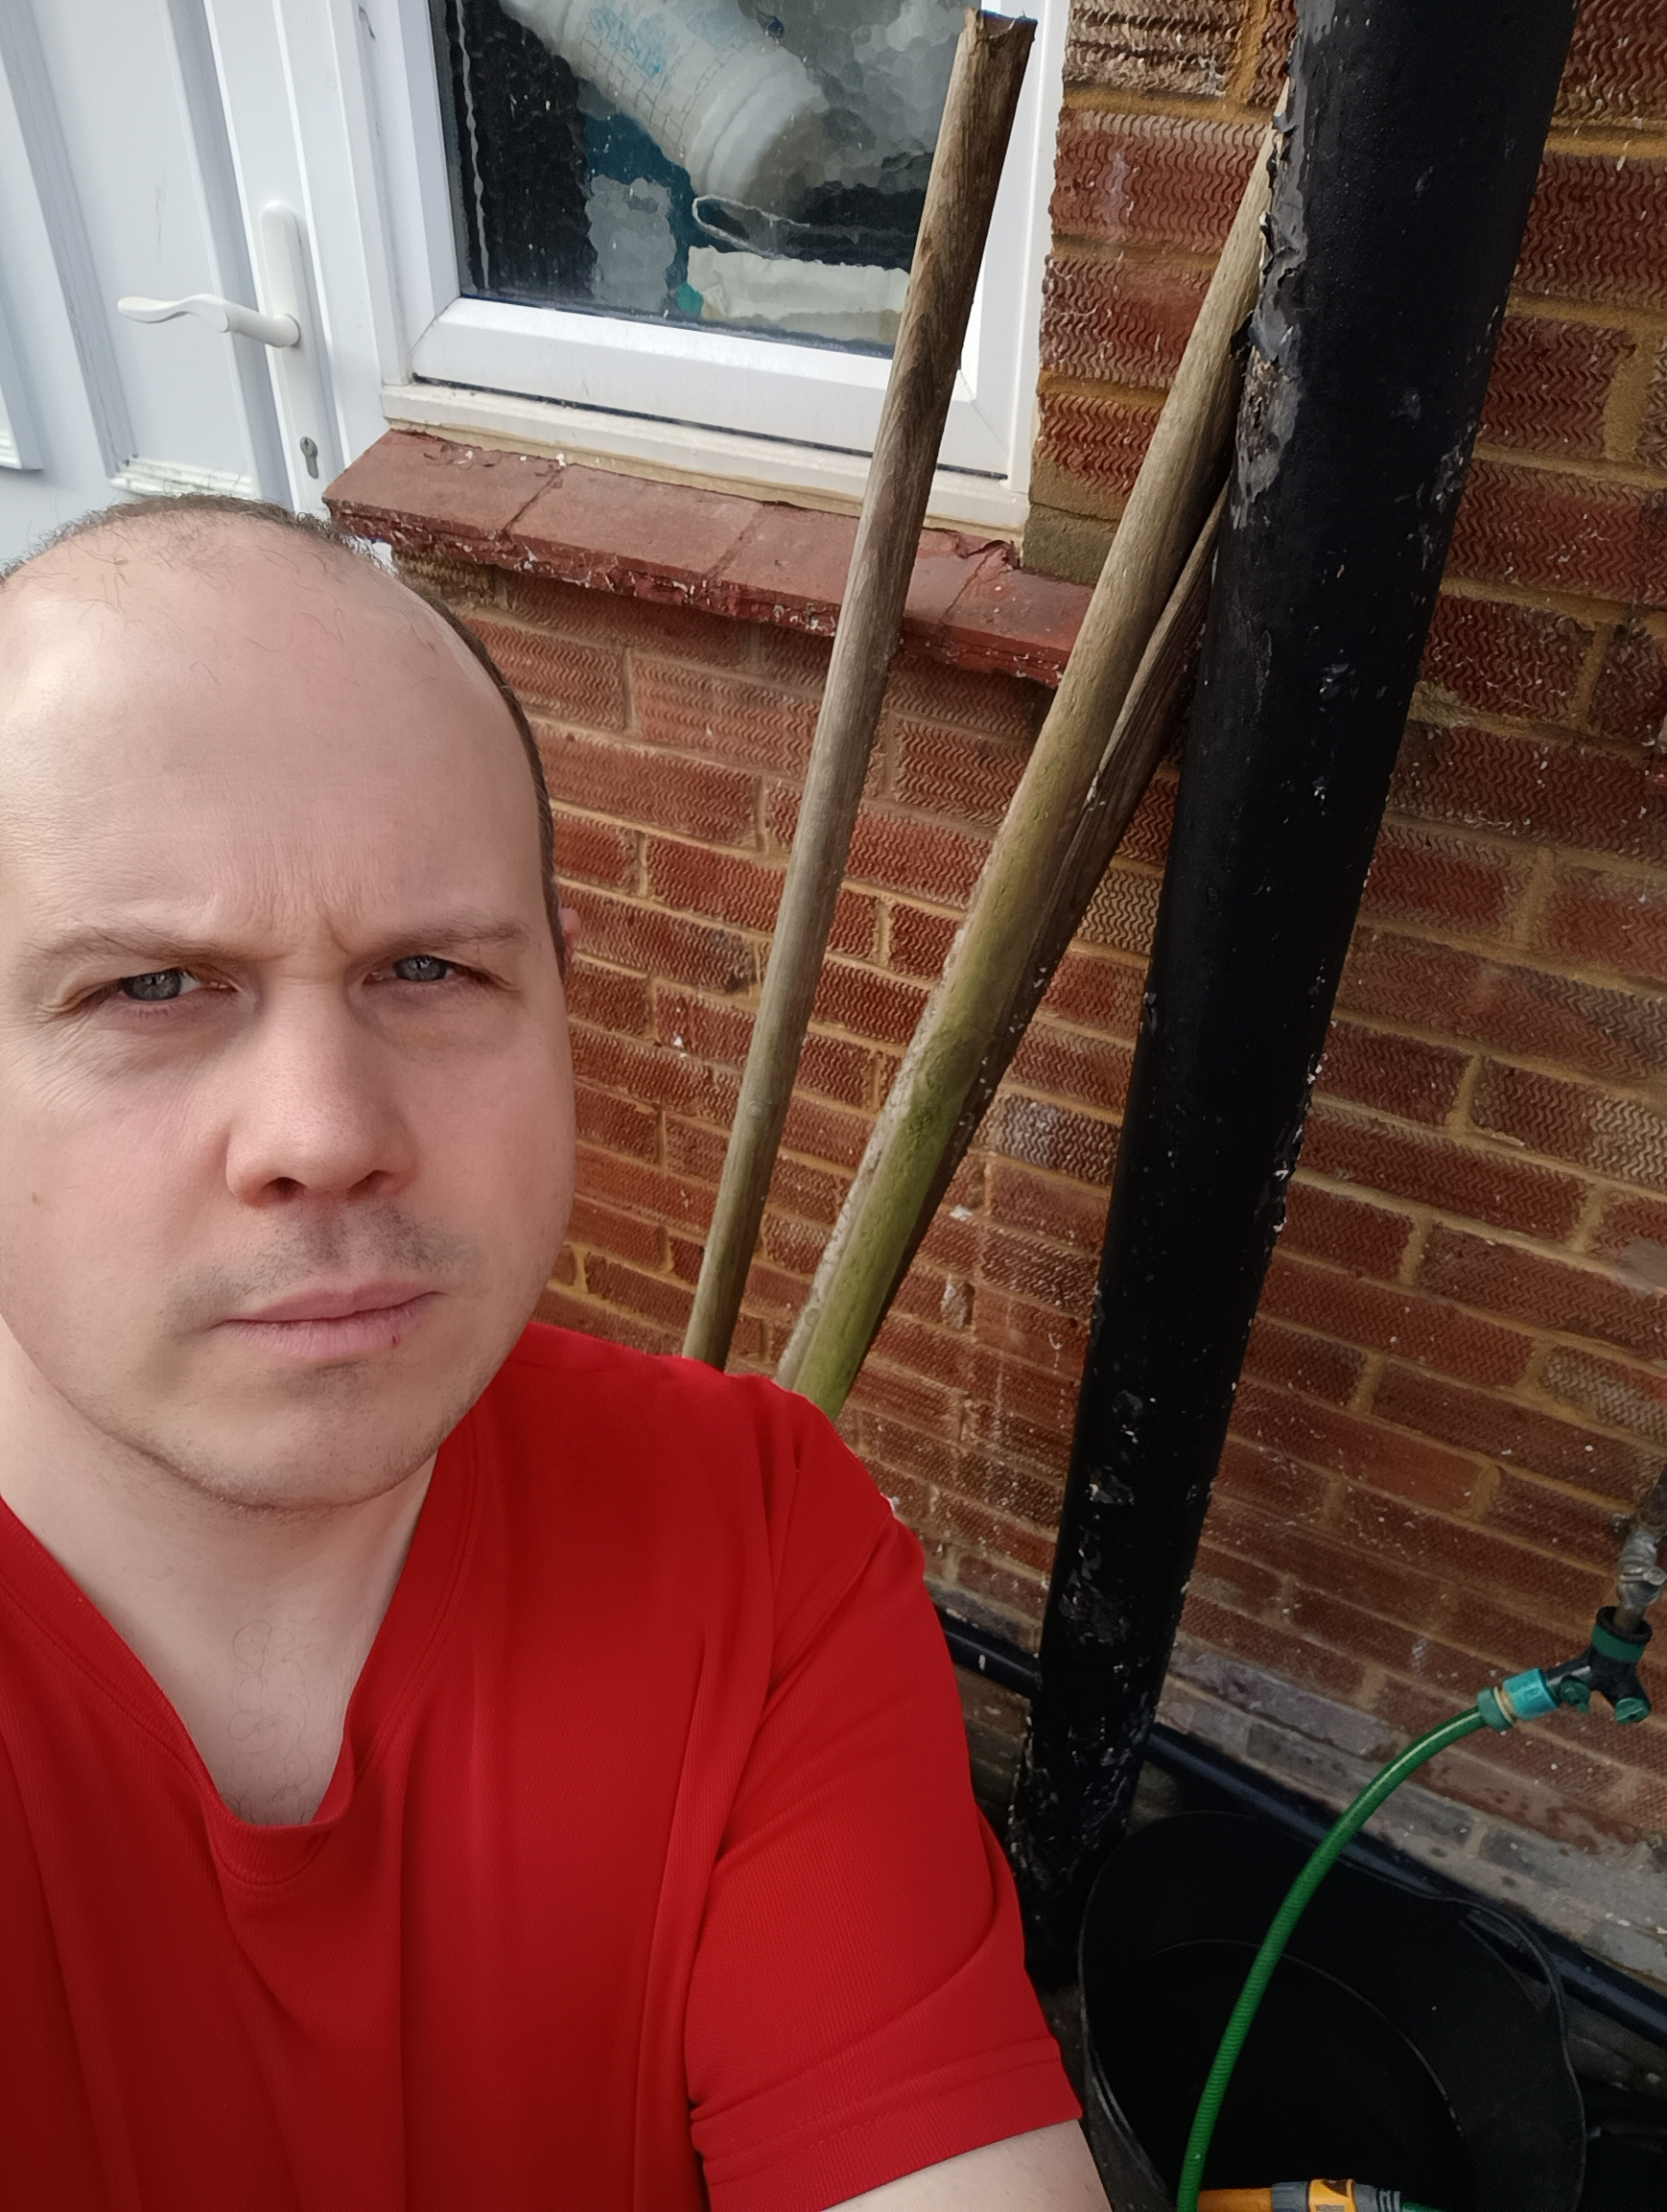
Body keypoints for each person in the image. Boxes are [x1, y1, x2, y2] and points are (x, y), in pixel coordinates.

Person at [0, 497, 1109, 2209]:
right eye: (151, 987)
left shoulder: (753, 1542)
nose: (325, 1132)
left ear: (558, 1003)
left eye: (428, 968)